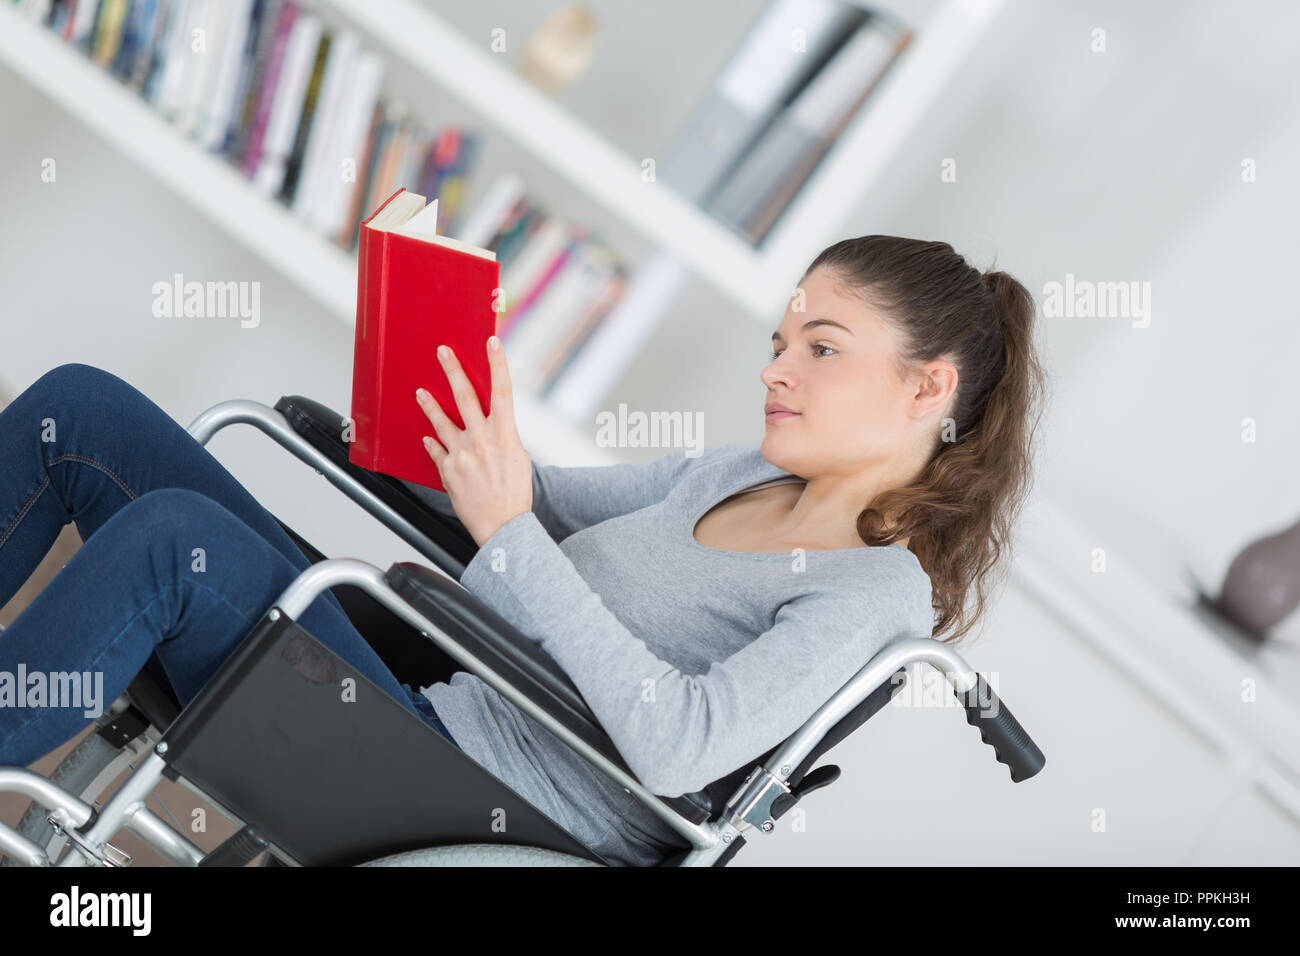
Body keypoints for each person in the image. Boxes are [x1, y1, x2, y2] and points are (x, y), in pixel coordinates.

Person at [0, 235, 1046, 867]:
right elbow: (533, 498)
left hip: (471, 792)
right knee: (79, 410)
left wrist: (507, 527)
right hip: (438, 698)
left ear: (926, 387)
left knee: (173, 546)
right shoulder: (741, 471)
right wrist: (431, 392)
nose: (778, 368)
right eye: (781, 340)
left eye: (821, 347)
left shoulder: (874, 596)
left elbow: (682, 747)